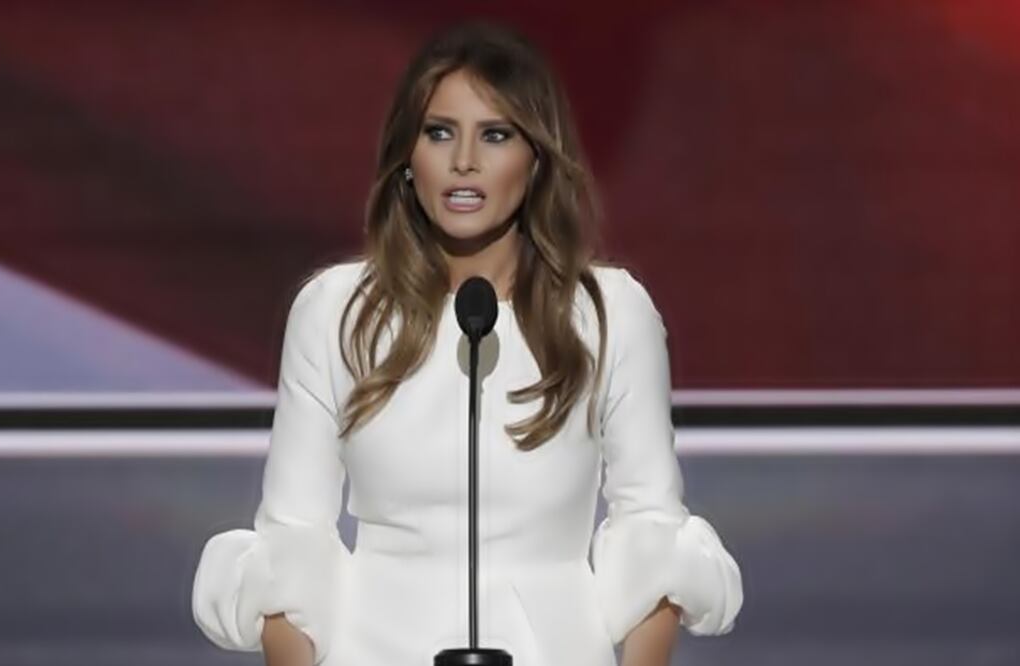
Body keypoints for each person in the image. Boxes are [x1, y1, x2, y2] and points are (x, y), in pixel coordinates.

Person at [190, 19, 743, 666]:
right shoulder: (336, 312)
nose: (464, 161)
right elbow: (293, 543)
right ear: (408, 157)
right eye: (440, 132)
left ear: (536, 160)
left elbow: (651, 530)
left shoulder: (609, 315)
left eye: (496, 135)